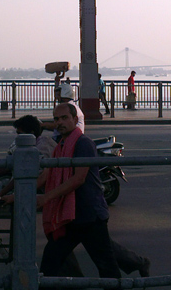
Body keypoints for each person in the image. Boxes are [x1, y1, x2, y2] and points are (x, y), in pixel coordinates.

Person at [37, 101, 120, 278]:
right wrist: (14, 195)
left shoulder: (83, 143)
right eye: (56, 119)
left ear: (75, 120)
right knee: (51, 260)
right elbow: (46, 175)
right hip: (69, 216)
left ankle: (138, 265)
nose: (60, 122)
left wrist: (46, 198)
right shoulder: (60, 145)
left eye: (64, 118)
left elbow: (78, 179)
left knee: (107, 267)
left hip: (89, 215)